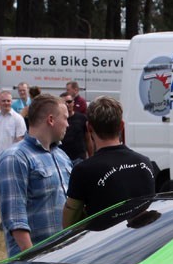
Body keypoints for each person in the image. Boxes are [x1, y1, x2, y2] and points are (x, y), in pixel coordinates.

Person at [63, 96, 156, 227]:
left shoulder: (83, 171)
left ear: (89, 127)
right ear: (121, 126)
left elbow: (69, 224)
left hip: (104, 239)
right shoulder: (145, 162)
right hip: (144, 237)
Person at [0, 94, 72, 257]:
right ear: (51, 120)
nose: (68, 124)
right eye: (65, 118)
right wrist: (34, 261)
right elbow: (15, 219)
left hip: (63, 258)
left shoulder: (62, 156)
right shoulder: (15, 157)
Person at [0, 88, 27, 206]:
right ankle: (4, 209)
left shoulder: (18, 119)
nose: (6, 103)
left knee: (9, 192)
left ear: (12, 102)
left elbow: (21, 141)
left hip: (9, 162)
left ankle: (6, 212)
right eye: (3, 101)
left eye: (8, 101)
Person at [60, 93, 91, 163]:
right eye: (64, 103)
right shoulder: (57, 120)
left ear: (73, 102)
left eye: (69, 102)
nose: (67, 104)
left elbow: (88, 139)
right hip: (62, 158)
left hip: (79, 158)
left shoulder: (82, 118)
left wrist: (91, 157)